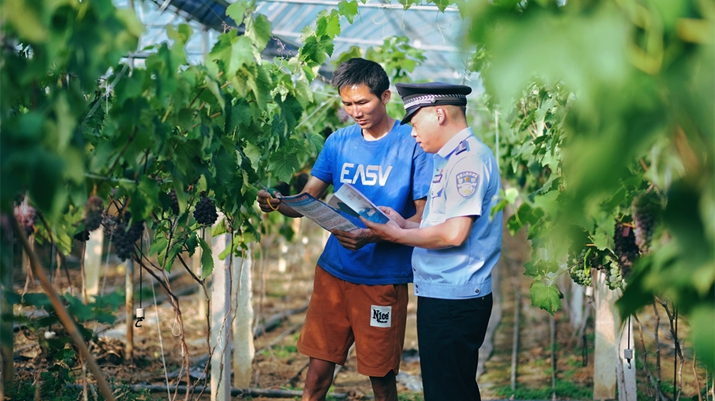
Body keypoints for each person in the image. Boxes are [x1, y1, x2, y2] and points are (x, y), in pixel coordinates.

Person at [256, 58, 432, 401]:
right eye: (347, 104)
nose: (356, 111)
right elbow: (307, 200)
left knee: (381, 377)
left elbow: (423, 220)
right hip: (333, 273)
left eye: (363, 102)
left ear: (385, 96)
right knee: (317, 375)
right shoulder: (338, 142)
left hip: (382, 280)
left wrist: (374, 233)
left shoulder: (411, 144)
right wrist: (277, 203)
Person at [361, 82, 503, 401]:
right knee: (451, 388)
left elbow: (454, 233)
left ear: (439, 114)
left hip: (454, 298)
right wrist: (402, 222)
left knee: (447, 391)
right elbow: (440, 222)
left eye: (414, 122)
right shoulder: (448, 160)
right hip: (446, 293)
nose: (412, 132)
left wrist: (396, 235)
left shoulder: (467, 161)